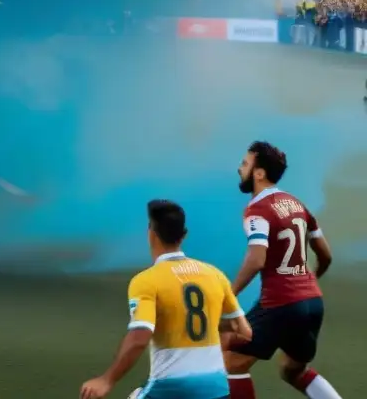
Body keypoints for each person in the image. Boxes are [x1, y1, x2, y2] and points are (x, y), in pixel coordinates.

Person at [80, 200, 251, 399]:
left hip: (170, 387)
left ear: (150, 233)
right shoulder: (215, 275)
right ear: (184, 235)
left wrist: (106, 380)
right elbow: (244, 332)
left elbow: (139, 338)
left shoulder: (146, 281)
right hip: (216, 387)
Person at [225, 141, 342, 399]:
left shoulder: (257, 210)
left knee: (230, 361)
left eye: (245, 164)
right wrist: (307, 283)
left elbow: (256, 260)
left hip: (281, 303)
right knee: (293, 370)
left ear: (259, 173)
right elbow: (326, 255)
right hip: (311, 302)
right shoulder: (298, 205)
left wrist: (228, 294)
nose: (239, 168)